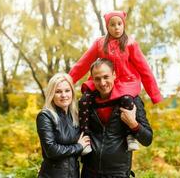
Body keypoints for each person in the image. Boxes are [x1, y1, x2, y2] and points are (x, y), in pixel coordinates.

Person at [69, 10, 162, 154]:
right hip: (104, 80)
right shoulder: (100, 44)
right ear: (107, 27)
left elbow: (145, 70)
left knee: (126, 100)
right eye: (112, 25)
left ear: (124, 25)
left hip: (126, 82)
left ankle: (130, 136)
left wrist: (154, 95)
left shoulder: (130, 44)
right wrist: (67, 80)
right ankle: (85, 135)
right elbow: (83, 63)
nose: (117, 27)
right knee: (85, 99)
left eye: (119, 24)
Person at [80, 58, 153, 178]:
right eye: (97, 79)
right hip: (89, 172)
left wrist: (133, 124)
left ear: (114, 75)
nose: (102, 83)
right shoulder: (87, 102)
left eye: (106, 77)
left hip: (118, 173)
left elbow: (147, 139)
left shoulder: (131, 100)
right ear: (92, 79)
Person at [36, 73, 91, 178]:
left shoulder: (75, 115)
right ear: (52, 94)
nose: (64, 95)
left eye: (67, 90)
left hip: (74, 174)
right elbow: (51, 151)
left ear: (72, 92)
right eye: (58, 92)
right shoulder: (45, 116)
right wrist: (79, 147)